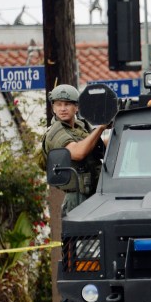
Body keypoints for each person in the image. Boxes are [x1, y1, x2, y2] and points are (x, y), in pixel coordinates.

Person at [40, 84, 108, 215]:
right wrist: (100, 128)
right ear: (53, 108)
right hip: (77, 198)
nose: (63, 109)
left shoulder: (80, 127)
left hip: (94, 192)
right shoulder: (55, 132)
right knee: (83, 236)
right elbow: (78, 153)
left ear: (76, 107)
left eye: (67, 104)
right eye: (58, 104)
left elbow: (99, 145)